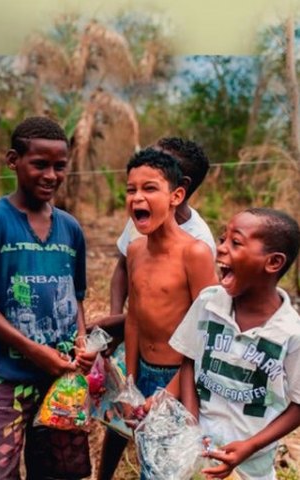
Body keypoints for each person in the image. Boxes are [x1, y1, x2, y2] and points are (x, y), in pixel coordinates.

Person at [0, 116, 97, 479]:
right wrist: (33, 349)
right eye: (40, 164)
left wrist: (82, 343)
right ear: (13, 160)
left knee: (57, 470)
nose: (51, 175)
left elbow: (75, 296)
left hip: (60, 378)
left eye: (59, 166)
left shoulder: (70, 228)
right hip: (3, 376)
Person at [95, 138, 217, 479]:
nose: (137, 198)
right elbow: (134, 317)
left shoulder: (195, 253)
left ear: (176, 196)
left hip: (179, 379)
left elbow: (207, 334)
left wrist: (168, 392)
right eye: (131, 189)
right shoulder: (135, 249)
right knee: (144, 452)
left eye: (150, 188)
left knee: (165, 471)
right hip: (142, 373)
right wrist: (131, 380)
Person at [171, 208, 300, 480]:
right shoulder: (209, 302)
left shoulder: (291, 333)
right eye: (222, 239)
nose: (220, 249)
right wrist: (192, 425)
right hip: (199, 455)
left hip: (252, 467)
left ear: (273, 262)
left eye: (236, 242)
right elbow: (190, 361)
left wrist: (250, 446)